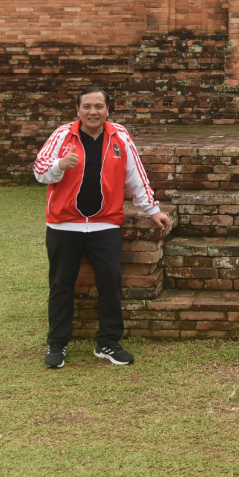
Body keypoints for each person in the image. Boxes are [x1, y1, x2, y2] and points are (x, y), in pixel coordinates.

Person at [33, 85, 171, 368]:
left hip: (104, 225)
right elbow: (40, 171)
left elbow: (136, 177)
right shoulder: (62, 135)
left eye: (98, 106)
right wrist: (60, 165)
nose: (92, 112)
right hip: (64, 226)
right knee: (61, 285)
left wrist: (152, 210)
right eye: (87, 107)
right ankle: (57, 344)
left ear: (108, 109)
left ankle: (108, 342)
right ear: (78, 110)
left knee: (110, 283)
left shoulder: (119, 136)